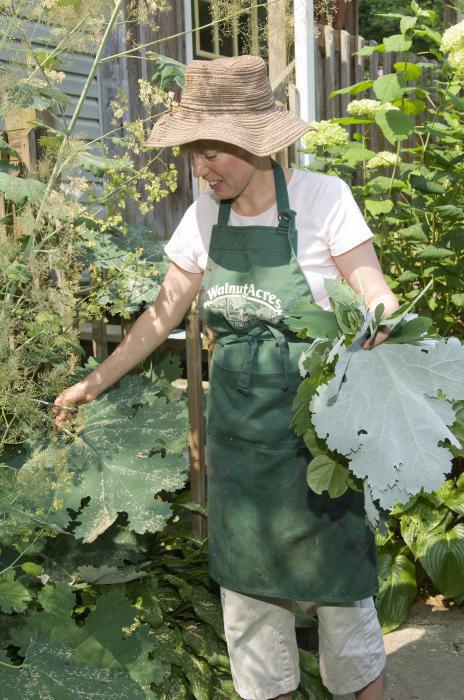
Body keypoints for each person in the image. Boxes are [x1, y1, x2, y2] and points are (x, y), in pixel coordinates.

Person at [54, 55, 399, 700]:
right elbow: (161, 317)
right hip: (239, 452)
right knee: (250, 620)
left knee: (344, 610)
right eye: (194, 153)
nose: (200, 168)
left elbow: (373, 287)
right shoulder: (204, 216)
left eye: (212, 152)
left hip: (319, 448)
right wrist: (92, 383)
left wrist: (378, 318)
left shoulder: (326, 199)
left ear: (254, 144)